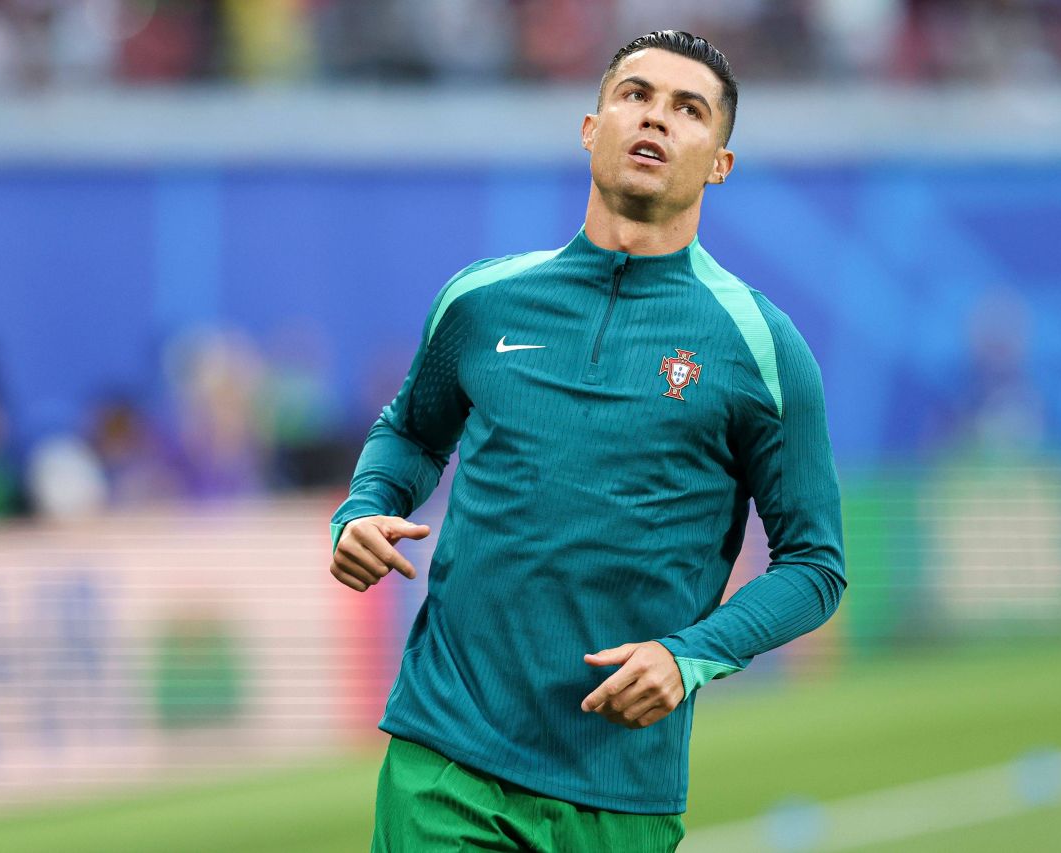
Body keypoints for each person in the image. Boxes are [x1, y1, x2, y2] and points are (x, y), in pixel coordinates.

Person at [329, 30, 846, 852]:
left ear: (719, 163)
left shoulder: (761, 346)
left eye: (688, 109)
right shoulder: (482, 301)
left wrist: (689, 656)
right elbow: (410, 432)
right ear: (590, 127)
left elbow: (814, 564)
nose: (656, 118)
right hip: (446, 757)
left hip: (619, 790)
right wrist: (363, 506)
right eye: (635, 95)